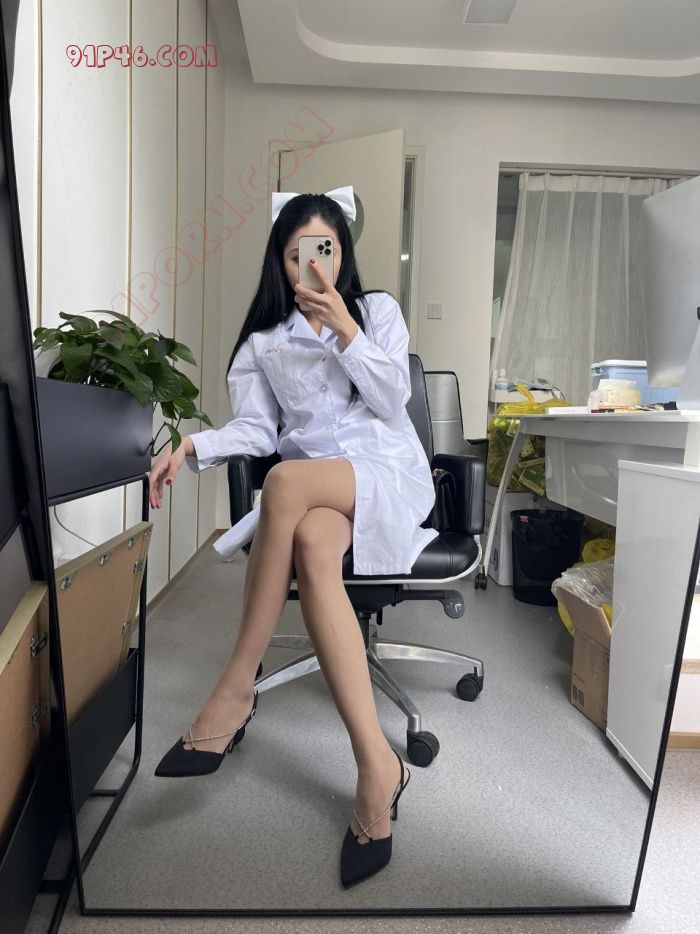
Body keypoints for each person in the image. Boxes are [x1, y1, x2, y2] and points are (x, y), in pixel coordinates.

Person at [147, 184, 438, 888]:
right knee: (308, 538)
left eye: (326, 249)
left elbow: (394, 401)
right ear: (280, 261)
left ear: (343, 254)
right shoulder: (263, 342)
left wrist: (346, 330)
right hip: (317, 491)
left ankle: (234, 689)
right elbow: (256, 430)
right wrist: (194, 444)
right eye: (299, 252)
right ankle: (378, 766)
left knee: (281, 483)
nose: (314, 264)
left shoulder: (376, 311)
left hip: (386, 472)